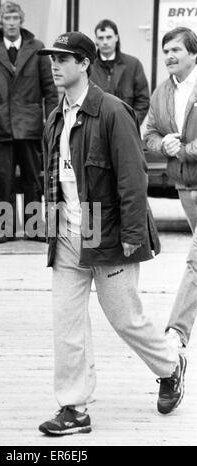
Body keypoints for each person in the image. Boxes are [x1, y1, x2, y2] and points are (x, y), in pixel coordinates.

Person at [37, 31, 186, 436]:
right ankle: (74, 407)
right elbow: (53, 179)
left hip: (109, 232)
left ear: (84, 64)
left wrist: (133, 235)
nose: (55, 65)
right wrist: (47, 230)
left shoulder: (113, 112)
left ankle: (170, 365)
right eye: (52, 58)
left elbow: (132, 177)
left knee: (125, 318)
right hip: (69, 233)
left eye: (63, 59)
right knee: (66, 322)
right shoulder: (56, 115)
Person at [0, 1, 58, 243]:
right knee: (5, 179)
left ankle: (33, 228)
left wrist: (51, 121)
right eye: (6, 18)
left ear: (21, 21)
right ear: (1, 21)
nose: (10, 23)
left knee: (33, 179)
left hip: (30, 127)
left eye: (14, 18)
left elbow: (50, 90)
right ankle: (6, 229)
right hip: (3, 126)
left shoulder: (37, 48)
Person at [144, 27, 197, 350]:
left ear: (194, 53)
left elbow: (187, 147)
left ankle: (176, 333)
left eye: (176, 50)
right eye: (166, 51)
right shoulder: (162, 92)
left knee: (196, 261)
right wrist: (163, 145)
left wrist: (185, 151)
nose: (169, 56)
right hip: (184, 187)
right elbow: (147, 133)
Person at [90, 19, 149, 125]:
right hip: (95, 129)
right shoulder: (88, 66)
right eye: (101, 38)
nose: (105, 42)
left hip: (125, 128)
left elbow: (143, 100)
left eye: (109, 37)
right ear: (96, 40)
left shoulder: (133, 65)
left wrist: (130, 124)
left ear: (116, 37)